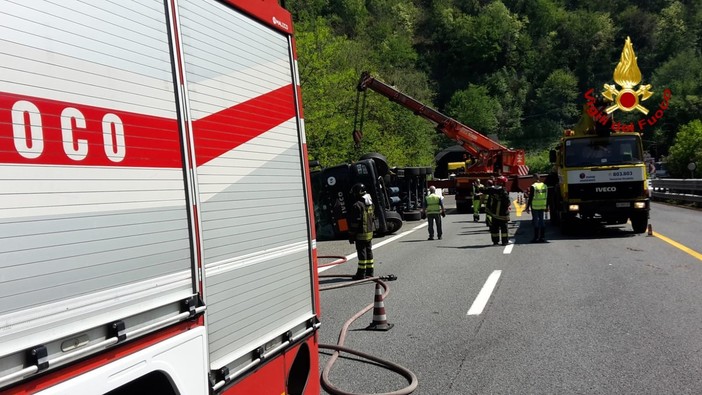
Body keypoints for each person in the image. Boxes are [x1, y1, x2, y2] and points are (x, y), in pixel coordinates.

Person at [348, 183, 376, 279]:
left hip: (361, 234)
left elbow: (355, 223)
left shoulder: (357, 205)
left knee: (362, 254)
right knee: (369, 252)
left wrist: (351, 235)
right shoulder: (370, 204)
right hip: (369, 233)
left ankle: (361, 274)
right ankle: (370, 272)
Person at [485, 176, 510, 245]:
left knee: (494, 228)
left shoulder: (492, 190)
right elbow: (507, 202)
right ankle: (504, 241)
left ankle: (495, 241)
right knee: (504, 228)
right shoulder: (503, 191)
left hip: (494, 213)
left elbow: (486, 193)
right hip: (502, 214)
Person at [526, 173, 548, 242]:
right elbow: (547, 196)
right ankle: (542, 237)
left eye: (532, 178)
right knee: (542, 221)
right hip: (542, 205)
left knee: (536, 222)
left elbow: (531, 197)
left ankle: (536, 238)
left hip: (535, 206)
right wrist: (547, 206)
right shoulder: (544, 186)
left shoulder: (533, 186)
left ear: (535, 178)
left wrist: (527, 207)